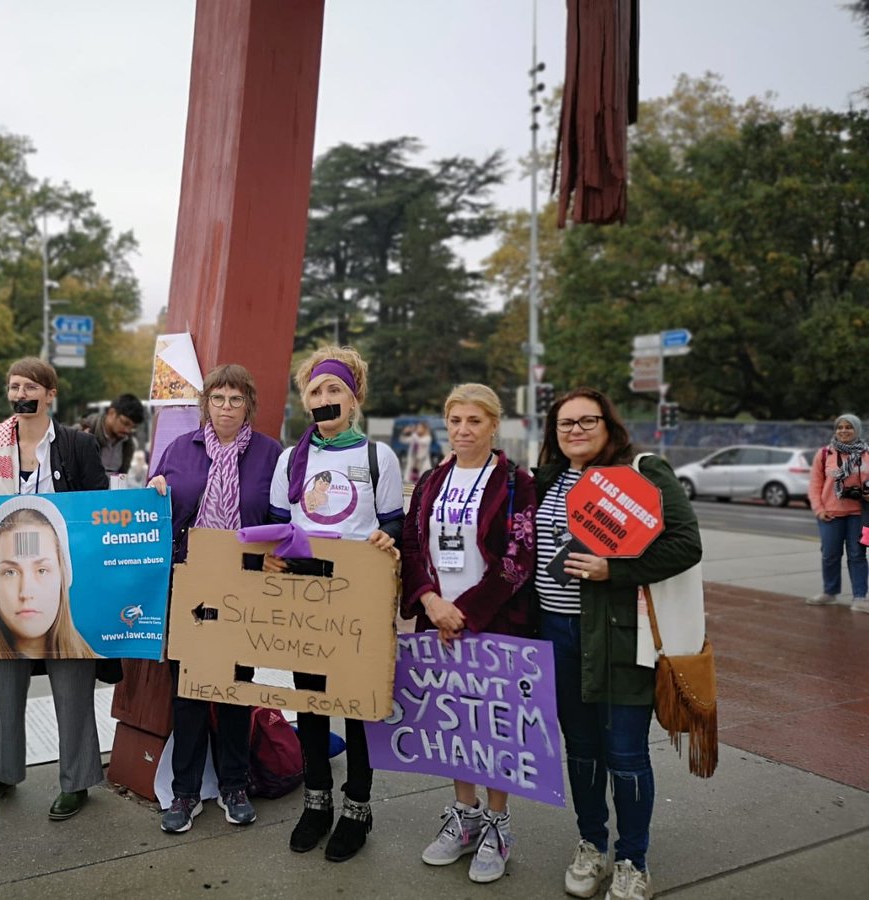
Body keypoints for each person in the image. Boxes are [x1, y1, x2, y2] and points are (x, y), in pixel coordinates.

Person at [535, 388, 702, 900]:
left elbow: (686, 543)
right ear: (553, 432)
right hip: (556, 636)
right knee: (581, 751)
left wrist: (616, 569)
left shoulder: (643, 474)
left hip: (619, 638)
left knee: (625, 754)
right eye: (565, 423)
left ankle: (632, 860)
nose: (576, 430)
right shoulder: (543, 480)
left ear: (610, 425)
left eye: (588, 420)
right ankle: (591, 846)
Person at [265, 345, 404, 863]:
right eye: (315, 391)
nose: (324, 399)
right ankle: (317, 800)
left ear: (354, 398)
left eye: (334, 391)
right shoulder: (290, 459)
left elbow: (394, 523)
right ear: (306, 401)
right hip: (305, 596)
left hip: (359, 597)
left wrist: (388, 538)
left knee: (357, 707)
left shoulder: (377, 457)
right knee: (311, 701)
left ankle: (358, 808)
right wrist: (273, 558)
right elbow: (279, 526)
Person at [0, 356, 110, 821]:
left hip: (60, 580)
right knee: (7, 686)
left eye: (29, 385)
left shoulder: (77, 445)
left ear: (50, 393)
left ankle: (77, 780)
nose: (19, 393)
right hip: (6, 580)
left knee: (72, 684)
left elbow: (101, 507)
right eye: (12, 386)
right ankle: (3, 773)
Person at [400, 384, 536, 884]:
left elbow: (519, 559)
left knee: (495, 729)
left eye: (474, 421)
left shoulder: (517, 483)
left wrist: (467, 612)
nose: (462, 430)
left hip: (493, 624)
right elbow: (412, 546)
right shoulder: (433, 480)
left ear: (493, 425)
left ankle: (498, 825)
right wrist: (432, 603)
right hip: (437, 625)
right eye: (454, 420)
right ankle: (465, 817)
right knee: (455, 725)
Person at [148, 364, 282, 834]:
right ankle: (185, 792)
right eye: (218, 399)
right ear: (207, 404)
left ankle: (234, 784)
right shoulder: (178, 449)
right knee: (186, 690)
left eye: (235, 399)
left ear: (249, 406)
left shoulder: (270, 454)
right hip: (186, 582)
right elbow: (152, 512)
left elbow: (283, 519)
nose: (226, 408)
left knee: (234, 690)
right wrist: (155, 492)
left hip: (244, 585)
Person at [0, 495, 97, 659]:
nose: (26, 592)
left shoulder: (92, 661)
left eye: (42, 570)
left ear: (63, 577)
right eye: (10, 572)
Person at [806, 413, 868, 612]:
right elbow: (815, 485)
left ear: (857, 429)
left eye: (848, 427)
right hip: (830, 514)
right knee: (830, 555)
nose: (843, 431)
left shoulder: (867, 454)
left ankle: (860, 597)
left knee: (857, 555)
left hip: (858, 514)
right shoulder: (825, 454)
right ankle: (830, 593)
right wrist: (819, 509)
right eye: (840, 427)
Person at [77, 393, 146, 475]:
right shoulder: (80, 433)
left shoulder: (128, 444)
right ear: (112, 413)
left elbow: (123, 476)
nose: (128, 430)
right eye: (125, 423)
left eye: (132, 427)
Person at [405, 421, 435, 485]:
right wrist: (406, 433)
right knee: (412, 483)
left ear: (424, 429)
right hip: (414, 463)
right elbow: (404, 440)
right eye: (417, 428)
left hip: (422, 463)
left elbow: (419, 441)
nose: (418, 429)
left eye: (420, 428)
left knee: (423, 481)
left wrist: (413, 432)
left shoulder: (427, 438)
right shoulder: (415, 437)